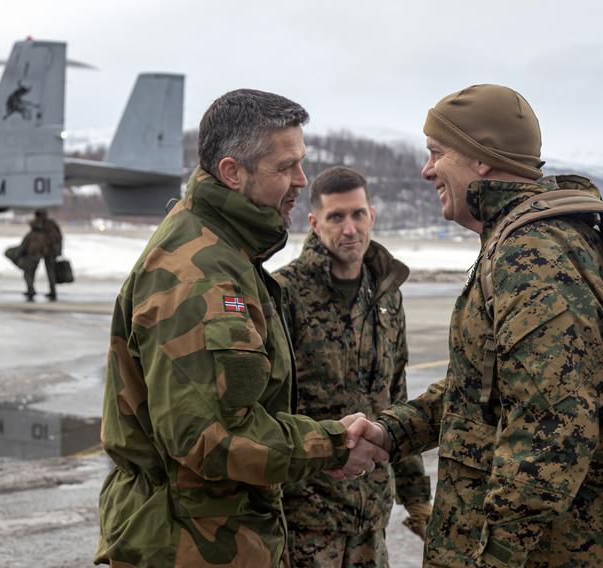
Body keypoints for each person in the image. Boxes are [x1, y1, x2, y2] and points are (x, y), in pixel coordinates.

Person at [353, 84, 603, 567]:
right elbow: (485, 390)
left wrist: (491, 558)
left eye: (437, 153)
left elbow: (553, 430)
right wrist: (391, 432)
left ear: (481, 158)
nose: (427, 170)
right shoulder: (522, 240)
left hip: (551, 553)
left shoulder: (532, 254)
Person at [94, 89, 389, 568]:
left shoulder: (226, 250)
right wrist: (330, 445)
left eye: (302, 162)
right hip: (188, 545)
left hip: (214, 537)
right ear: (233, 172)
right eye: (285, 167)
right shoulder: (200, 274)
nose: (301, 180)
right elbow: (208, 438)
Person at [273, 166, 432, 567]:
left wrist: (416, 499)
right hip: (306, 516)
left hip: (371, 516)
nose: (350, 229)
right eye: (336, 217)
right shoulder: (284, 293)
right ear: (313, 223)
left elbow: (397, 397)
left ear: (372, 216)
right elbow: (270, 408)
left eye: (358, 214)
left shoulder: (385, 296)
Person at [19, 209, 62, 301]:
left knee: (30, 271)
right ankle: (52, 291)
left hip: (39, 251)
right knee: (49, 272)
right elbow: (59, 238)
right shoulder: (51, 224)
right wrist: (58, 251)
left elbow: (30, 238)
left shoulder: (38, 224)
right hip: (48, 251)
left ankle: (31, 289)